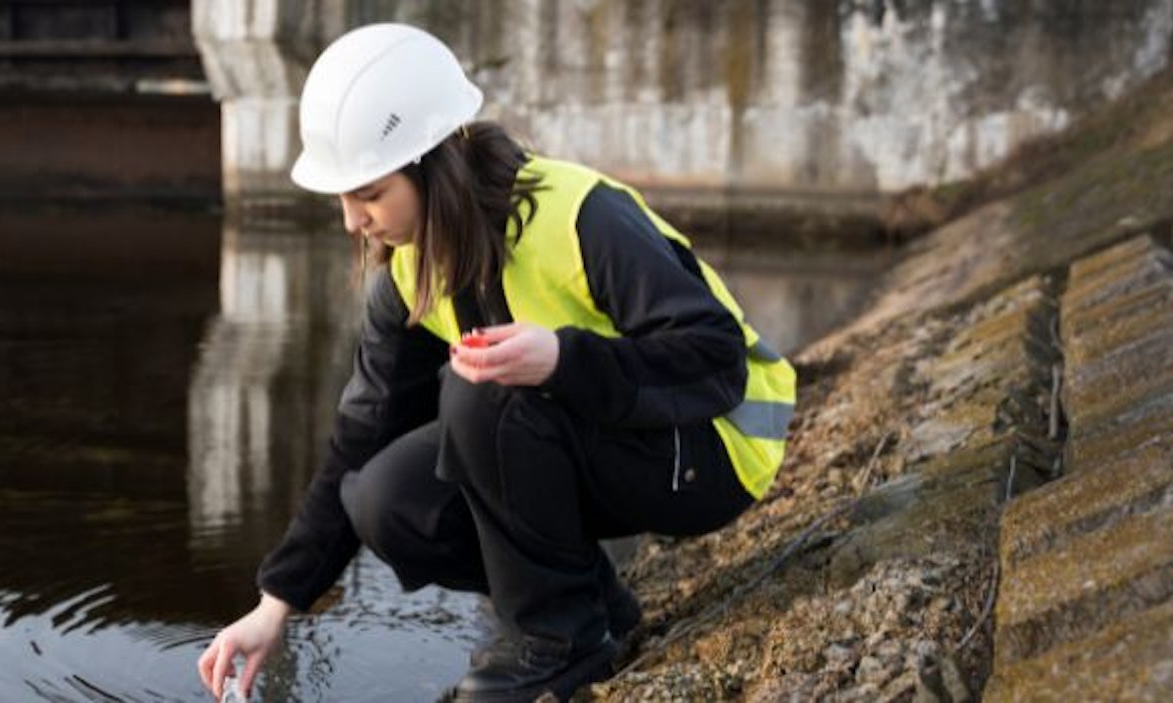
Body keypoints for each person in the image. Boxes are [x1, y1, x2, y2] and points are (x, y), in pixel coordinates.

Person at [197, 22, 796, 703]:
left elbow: (714, 359)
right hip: (617, 439)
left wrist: (563, 359)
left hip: (715, 447)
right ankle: (591, 607)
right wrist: (277, 599)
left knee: (479, 393)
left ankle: (558, 642)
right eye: (343, 198)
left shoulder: (580, 216)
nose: (351, 222)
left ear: (435, 162)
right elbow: (359, 437)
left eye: (368, 194)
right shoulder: (410, 272)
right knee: (382, 497)